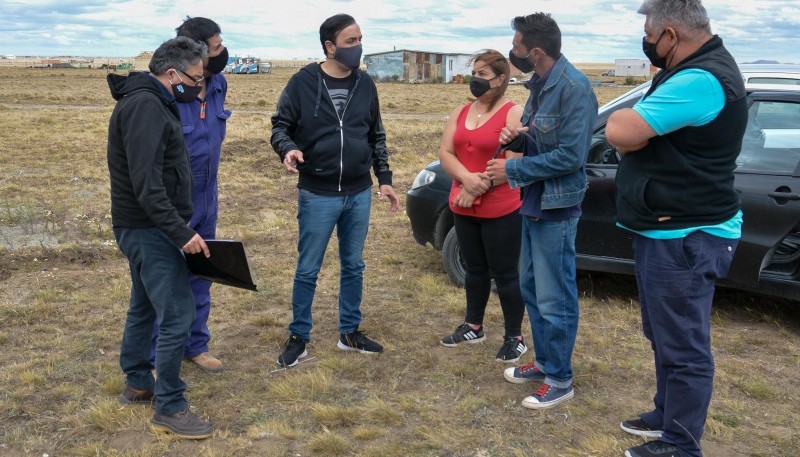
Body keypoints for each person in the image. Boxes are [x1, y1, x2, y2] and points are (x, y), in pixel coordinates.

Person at [605, 1, 747, 456]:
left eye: (648, 31)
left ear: (670, 33)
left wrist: (637, 133)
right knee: (662, 332)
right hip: (667, 229)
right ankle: (666, 413)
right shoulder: (687, 72)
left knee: (684, 345)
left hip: (687, 234)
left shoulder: (701, 79)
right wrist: (641, 134)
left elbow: (621, 130)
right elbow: (636, 135)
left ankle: (681, 445)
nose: (645, 40)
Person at [270, 13, 400, 368]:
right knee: (308, 268)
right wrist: (288, 148)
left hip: (358, 192)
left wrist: (384, 178)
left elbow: (376, 134)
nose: (358, 47)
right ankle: (299, 336)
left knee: (353, 266)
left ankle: (349, 331)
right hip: (318, 193)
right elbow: (280, 126)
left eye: (360, 40)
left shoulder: (365, 84)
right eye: (350, 42)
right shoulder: (302, 82)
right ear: (330, 46)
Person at [485, 12, 598, 409]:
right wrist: (521, 134)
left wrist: (512, 167)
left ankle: (560, 379)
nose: (511, 52)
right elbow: (545, 136)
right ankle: (546, 361)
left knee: (555, 296)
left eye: (516, 47)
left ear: (535, 52)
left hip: (557, 206)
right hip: (533, 200)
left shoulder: (575, 88)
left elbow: (571, 155)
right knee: (532, 289)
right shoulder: (540, 86)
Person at [107, 36, 214, 439]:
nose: (199, 86)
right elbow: (146, 184)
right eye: (195, 78)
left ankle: (138, 382)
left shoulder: (151, 102)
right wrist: (180, 232)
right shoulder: (145, 107)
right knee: (177, 315)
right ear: (172, 73)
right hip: (149, 229)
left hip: (145, 227)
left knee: (145, 306)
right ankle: (170, 405)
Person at [150, 16, 232, 373]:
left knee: (201, 273)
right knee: (166, 281)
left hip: (206, 200)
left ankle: (195, 345)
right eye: (215, 48)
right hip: (172, 205)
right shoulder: (166, 94)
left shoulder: (218, 85)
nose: (222, 52)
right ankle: (155, 356)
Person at [437, 50, 527, 363]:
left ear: (501, 79)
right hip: (463, 205)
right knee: (474, 269)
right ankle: (473, 326)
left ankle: (515, 337)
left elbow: (513, 163)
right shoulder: (461, 111)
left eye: (483, 74)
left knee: (505, 274)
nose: (476, 79)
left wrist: (475, 189)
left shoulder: (514, 113)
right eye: (475, 72)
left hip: (501, 207)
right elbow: (447, 152)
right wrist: (465, 181)